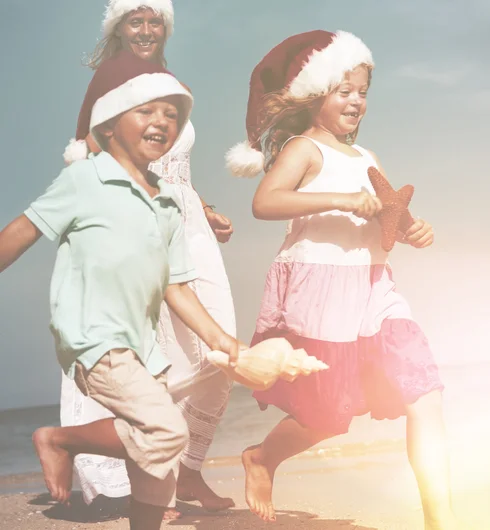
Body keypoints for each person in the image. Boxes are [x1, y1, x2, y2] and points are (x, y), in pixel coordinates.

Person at [225, 30, 461, 529]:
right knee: (327, 414)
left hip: (375, 287)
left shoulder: (369, 160)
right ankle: (261, 458)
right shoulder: (304, 148)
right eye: (344, 90)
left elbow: (387, 218)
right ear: (315, 96)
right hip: (321, 289)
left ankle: (440, 520)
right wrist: (342, 200)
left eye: (362, 92)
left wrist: (414, 229)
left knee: (424, 390)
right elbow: (264, 202)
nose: (356, 100)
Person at [0, 50, 240, 530]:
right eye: (146, 111)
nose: (161, 122)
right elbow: (20, 233)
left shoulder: (168, 203)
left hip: (144, 347)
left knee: (154, 466)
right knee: (166, 430)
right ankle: (61, 440)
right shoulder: (84, 179)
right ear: (108, 125)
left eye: (172, 115)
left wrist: (221, 340)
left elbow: (177, 285)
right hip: (93, 336)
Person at [61, 0, 236, 515]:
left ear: (166, 26)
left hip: (191, 229)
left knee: (217, 350)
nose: (144, 29)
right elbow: (87, 153)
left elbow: (174, 164)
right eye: (133, 20)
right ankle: (147, 472)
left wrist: (204, 208)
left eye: (153, 19)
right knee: (157, 355)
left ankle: (186, 470)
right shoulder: (114, 76)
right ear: (118, 27)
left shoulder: (167, 78)